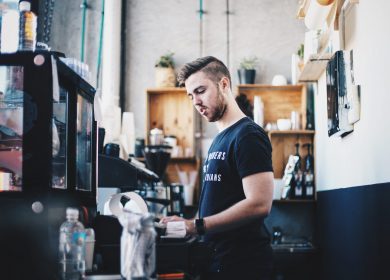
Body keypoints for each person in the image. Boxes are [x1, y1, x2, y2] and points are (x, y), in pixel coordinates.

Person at [161, 56, 274, 280]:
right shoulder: (220, 139)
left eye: (201, 90)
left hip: (244, 266)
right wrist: (183, 226)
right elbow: (217, 200)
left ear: (224, 84)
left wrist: (196, 226)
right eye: (191, 96)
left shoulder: (248, 135)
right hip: (218, 262)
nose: (196, 101)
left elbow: (260, 204)